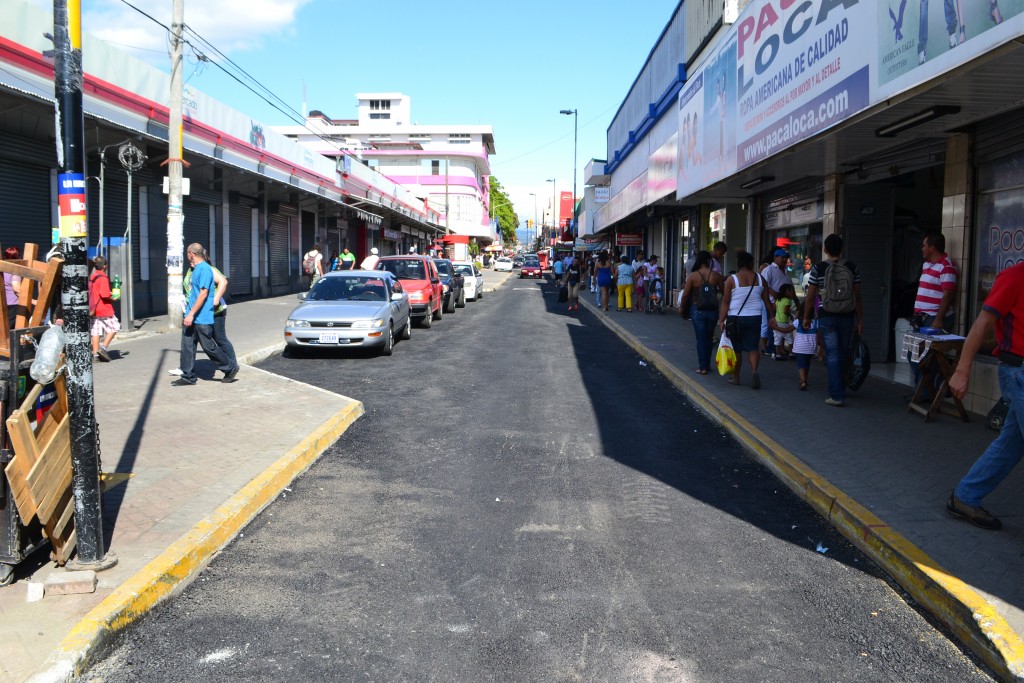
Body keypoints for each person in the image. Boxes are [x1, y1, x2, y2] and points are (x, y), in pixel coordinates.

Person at [946, 261, 1024, 531]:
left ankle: (965, 498)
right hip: (1018, 371)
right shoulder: (1014, 276)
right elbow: (983, 322)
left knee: (1012, 444)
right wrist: (962, 370)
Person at [802, 234, 864, 407]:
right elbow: (857, 296)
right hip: (848, 315)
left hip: (827, 315)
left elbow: (810, 296)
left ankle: (836, 395)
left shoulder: (819, 269)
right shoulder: (852, 268)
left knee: (832, 355)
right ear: (842, 249)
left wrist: (806, 317)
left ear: (825, 250)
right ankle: (840, 388)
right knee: (843, 353)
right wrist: (860, 320)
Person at [172, 243, 238, 386]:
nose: (187, 256)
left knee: (209, 346)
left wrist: (191, 314)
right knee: (187, 345)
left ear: (191, 253)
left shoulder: (205, 269)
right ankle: (187, 376)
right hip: (191, 314)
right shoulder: (195, 269)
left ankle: (230, 367)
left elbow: (203, 294)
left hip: (201, 316)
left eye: (187, 253)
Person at [909, 232, 958, 393]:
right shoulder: (926, 265)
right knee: (913, 353)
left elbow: (948, 294)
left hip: (933, 319)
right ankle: (921, 388)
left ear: (932, 248)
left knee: (926, 356)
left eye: (924, 245)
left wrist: (939, 318)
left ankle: (924, 391)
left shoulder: (946, 267)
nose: (921, 248)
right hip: (921, 318)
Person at [719, 251, 774, 388]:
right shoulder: (761, 279)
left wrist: (721, 320)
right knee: (752, 347)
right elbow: (767, 301)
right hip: (755, 317)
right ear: (751, 264)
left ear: (738, 264)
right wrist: (772, 317)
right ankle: (754, 371)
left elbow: (725, 302)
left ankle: (736, 377)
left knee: (737, 349)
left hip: (736, 318)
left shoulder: (732, 279)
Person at [681, 251, 723, 374]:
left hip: (697, 309)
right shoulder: (715, 275)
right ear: (709, 261)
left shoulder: (693, 276)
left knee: (701, 339)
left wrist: (682, 309)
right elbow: (724, 291)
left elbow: (685, 295)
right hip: (712, 310)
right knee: (709, 338)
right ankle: (707, 365)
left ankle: (703, 367)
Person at [88, 256, 119, 362]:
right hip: (103, 308)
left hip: (93, 308)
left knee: (95, 330)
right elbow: (104, 294)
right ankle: (103, 347)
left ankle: (95, 354)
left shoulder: (92, 276)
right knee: (115, 326)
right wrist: (113, 298)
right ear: (105, 266)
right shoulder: (103, 277)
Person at [761, 248, 790, 357]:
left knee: (781, 324)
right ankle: (771, 347)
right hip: (771, 302)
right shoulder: (768, 269)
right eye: (782, 257)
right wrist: (774, 295)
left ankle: (779, 348)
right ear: (775, 257)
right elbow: (764, 285)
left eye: (786, 257)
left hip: (783, 304)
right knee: (771, 325)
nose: (784, 259)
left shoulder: (786, 271)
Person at [773, 282, 798, 360]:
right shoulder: (788, 301)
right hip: (784, 322)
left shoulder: (778, 300)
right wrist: (790, 315)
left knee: (777, 339)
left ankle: (778, 354)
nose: (791, 292)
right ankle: (791, 353)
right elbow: (785, 311)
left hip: (777, 322)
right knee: (789, 338)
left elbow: (775, 309)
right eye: (790, 290)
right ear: (785, 292)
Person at [3, 245, 22, 329]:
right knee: (11, 328)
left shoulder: (3, 269)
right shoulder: (15, 270)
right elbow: (17, 289)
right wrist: (32, 301)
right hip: (13, 304)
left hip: (4, 303)